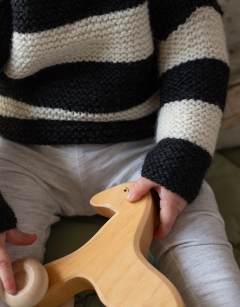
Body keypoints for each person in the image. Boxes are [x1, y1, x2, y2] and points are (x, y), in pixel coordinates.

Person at [0, 0, 240, 306]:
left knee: (204, 256)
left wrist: (177, 162)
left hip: (143, 155)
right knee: (8, 278)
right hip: (23, 154)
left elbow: (196, 58)